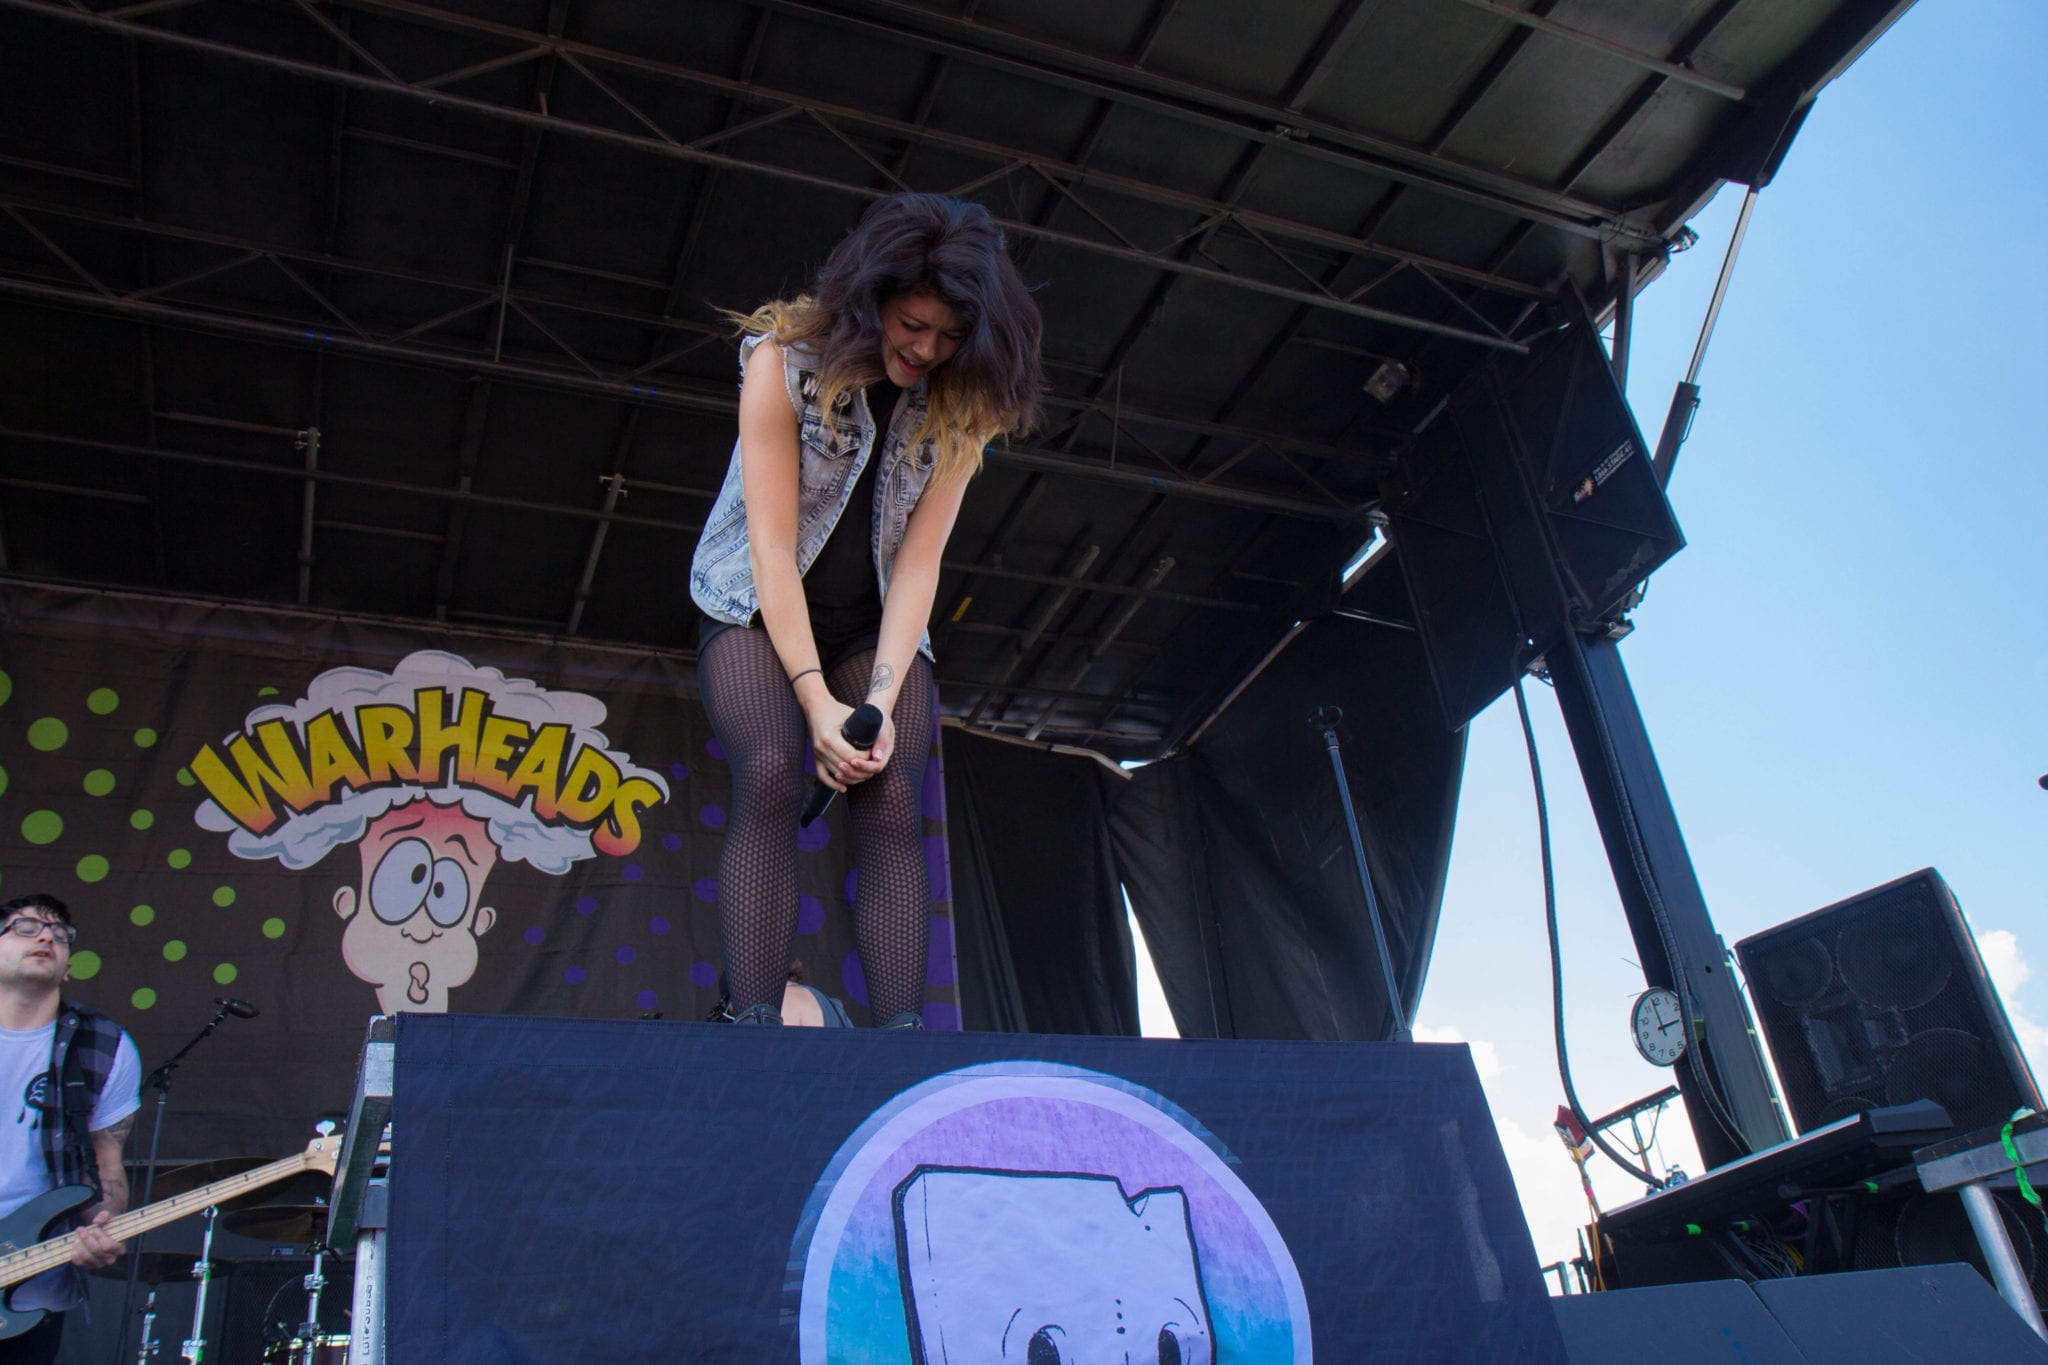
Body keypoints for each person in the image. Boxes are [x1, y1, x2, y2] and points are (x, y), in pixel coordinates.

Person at [690, 192, 1044, 1028]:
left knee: (889, 796)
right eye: (912, 324)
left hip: (873, 621)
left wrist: (877, 702)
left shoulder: (965, 408)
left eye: (949, 336)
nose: (926, 349)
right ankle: (754, 1027)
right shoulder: (781, 363)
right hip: (752, 603)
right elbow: (771, 551)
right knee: (771, 770)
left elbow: (920, 563)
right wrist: (818, 704)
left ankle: (902, 1049)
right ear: (872, 298)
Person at [0, 894, 141, 1364]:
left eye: (60, 935)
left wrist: (103, 1227)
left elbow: (105, 1161)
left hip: (28, 1286)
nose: (46, 937)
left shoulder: (104, 1044)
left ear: (67, 969)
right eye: (25, 927)